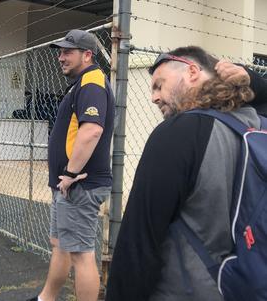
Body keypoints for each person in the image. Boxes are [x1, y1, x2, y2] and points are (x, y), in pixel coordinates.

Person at [106, 46, 265, 300]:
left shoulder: (178, 132)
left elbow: (138, 243)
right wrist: (253, 81)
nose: (154, 98)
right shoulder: (256, 125)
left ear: (192, 72)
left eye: (159, 85)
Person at [27, 30, 114, 301]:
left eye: (68, 52)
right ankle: (46, 298)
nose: (61, 57)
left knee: (80, 254)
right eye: (61, 51)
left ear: (87, 55)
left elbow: (91, 132)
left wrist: (69, 174)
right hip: (69, 185)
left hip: (79, 184)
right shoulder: (82, 83)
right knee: (61, 246)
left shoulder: (91, 83)